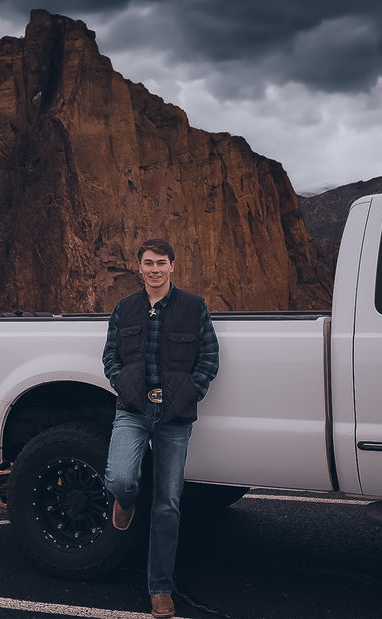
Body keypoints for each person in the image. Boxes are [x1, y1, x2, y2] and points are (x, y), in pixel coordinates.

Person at [102, 238, 220, 619]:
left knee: (168, 504)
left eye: (161, 263)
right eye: (148, 263)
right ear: (139, 268)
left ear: (172, 266)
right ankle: (125, 498)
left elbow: (209, 356)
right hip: (133, 410)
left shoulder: (193, 307)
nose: (155, 269)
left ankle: (160, 589)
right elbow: (110, 356)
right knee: (120, 478)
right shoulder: (125, 309)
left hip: (174, 416)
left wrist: (191, 392)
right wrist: (123, 383)